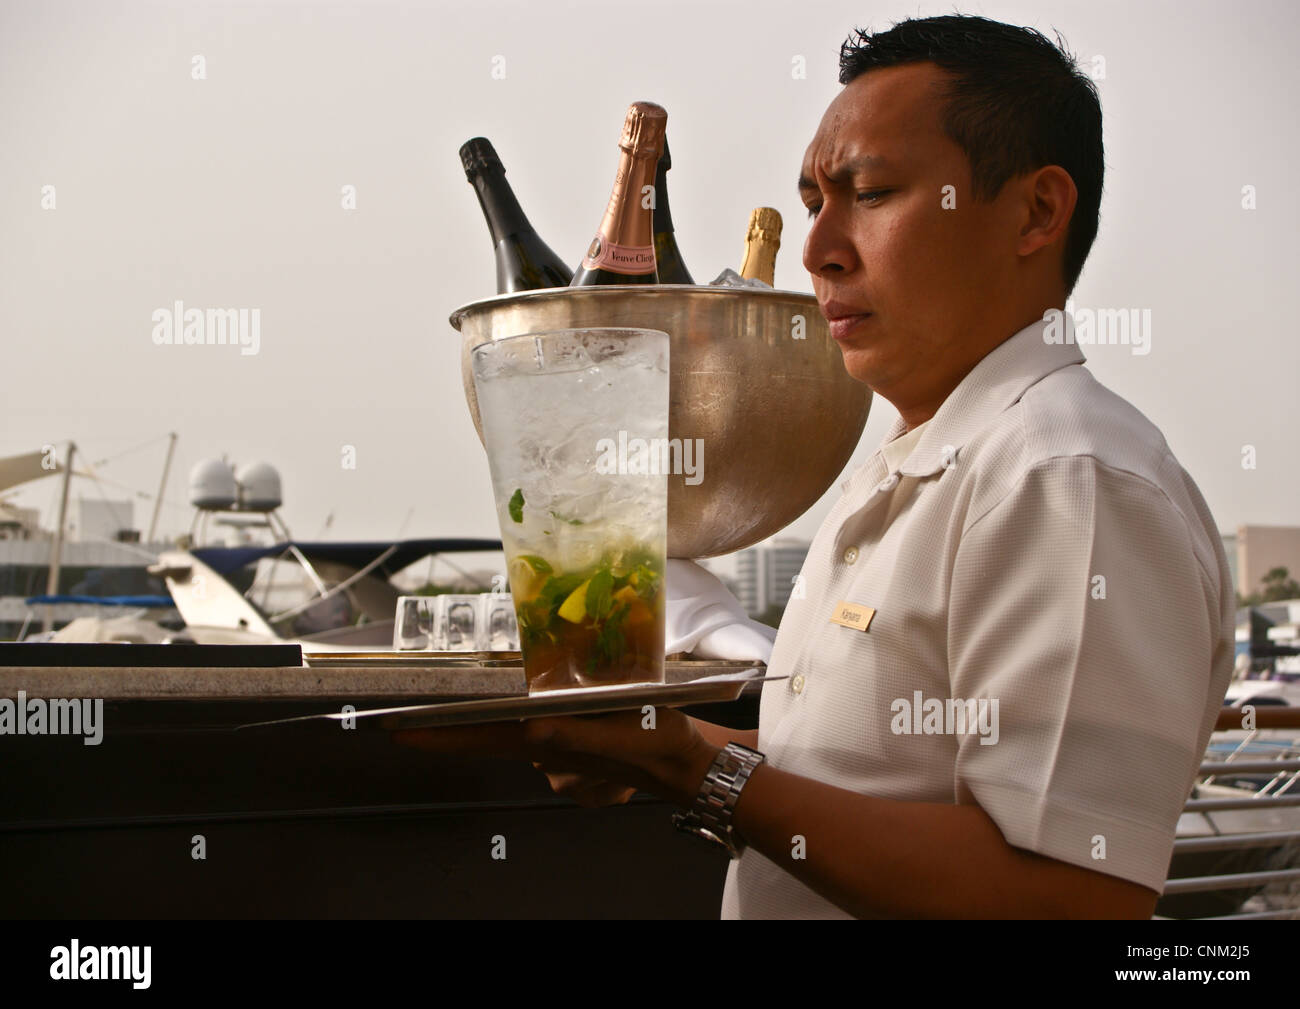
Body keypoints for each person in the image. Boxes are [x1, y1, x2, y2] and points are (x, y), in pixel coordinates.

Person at [398, 14, 1235, 919]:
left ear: (1036, 212)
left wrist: (696, 767)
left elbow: (1069, 897)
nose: (818, 248)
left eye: (870, 192)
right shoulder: (927, 464)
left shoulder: (1070, 476)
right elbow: (863, 777)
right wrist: (644, 742)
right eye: (812, 203)